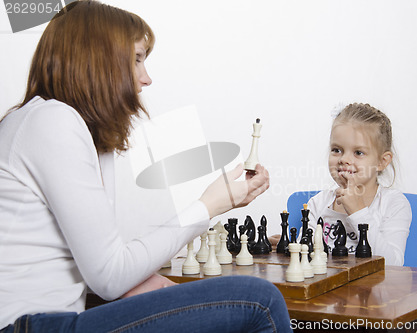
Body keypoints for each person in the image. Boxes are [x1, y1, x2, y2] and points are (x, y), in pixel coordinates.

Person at [0, 1, 292, 332]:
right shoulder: (52, 121)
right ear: (98, 60)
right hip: (25, 326)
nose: (147, 78)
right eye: (137, 59)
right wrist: (208, 206)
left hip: (50, 321)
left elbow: (104, 261)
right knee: (258, 300)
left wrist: (139, 283)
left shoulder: (67, 126)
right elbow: (110, 275)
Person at [306, 103, 411, 265]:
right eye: (336, 150)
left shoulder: (393, 204)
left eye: (358, 153)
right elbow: (305, 257)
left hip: (372, 290)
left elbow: (393, 264)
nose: (344, 159)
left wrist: (358, 212)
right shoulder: (318, 203)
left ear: (382, 161)